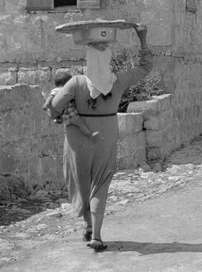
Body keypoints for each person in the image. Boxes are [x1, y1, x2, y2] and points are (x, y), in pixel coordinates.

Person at [50, 24, 152, 252]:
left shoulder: (76, 83)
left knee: (81, 182)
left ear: (89, 58)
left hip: (77, 138)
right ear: (107, 59)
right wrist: (143, 38)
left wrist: (65, 112)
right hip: (106, 135)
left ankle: (87, 225)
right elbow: (146, 67)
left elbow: (55, 106)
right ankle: (96, 235)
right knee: (101, 183)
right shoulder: (118, 81)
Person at [43, 71, 98, 140]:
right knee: (79, 123)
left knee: (78, 123)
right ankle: (90, 135)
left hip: (65, 112)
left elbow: (51, 97)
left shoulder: (58, 90)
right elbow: (50, 97)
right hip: (68, 113)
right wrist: (46, 104)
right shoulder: (59, 90)